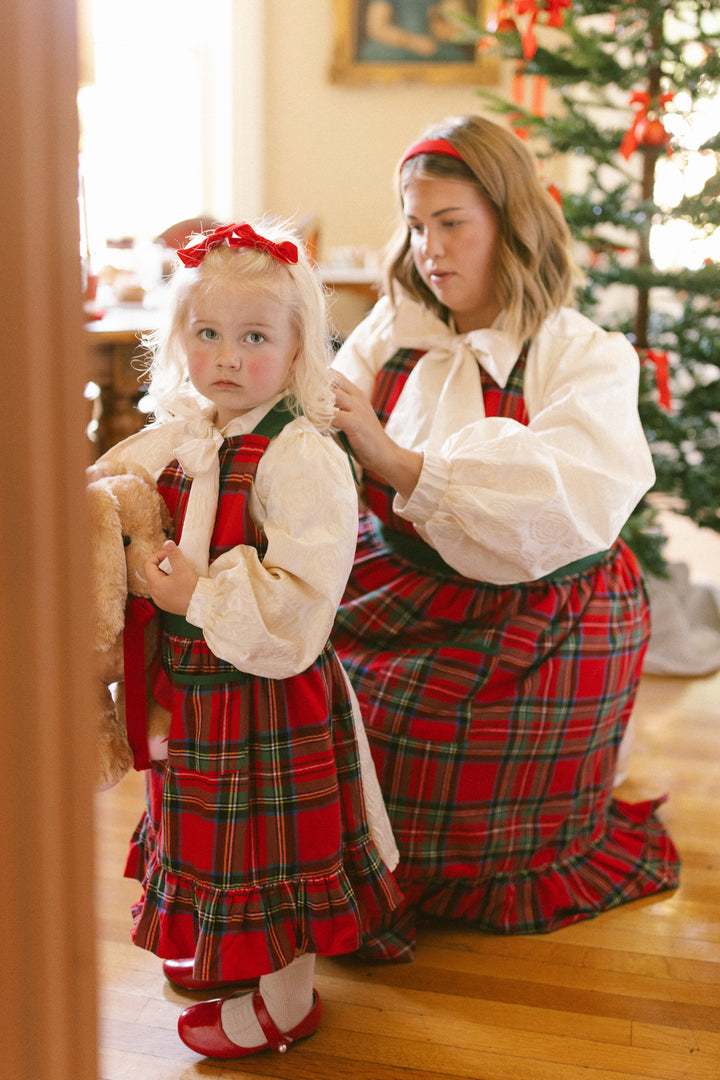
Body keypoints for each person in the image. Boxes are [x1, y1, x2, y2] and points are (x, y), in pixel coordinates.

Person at [330, 115, 680, 963]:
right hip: (403, 581)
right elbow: (321, 408)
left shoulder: (581, 353)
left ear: (509, 223)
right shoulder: (397, 330)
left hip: (544, 607)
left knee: (406, 729)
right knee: (311, 697)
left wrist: (395, 456)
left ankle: (454, 862)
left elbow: (562, 504)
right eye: (416, 226)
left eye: (452, 224)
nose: (430, 250)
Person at [94, 220, 402, 1059]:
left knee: (273, 848)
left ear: (299, 346)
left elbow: (303, 598)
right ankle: (228, 953)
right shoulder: (188, 432)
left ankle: (287, 1001)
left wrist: (200, 593)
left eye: (254, 337)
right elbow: (109, 490)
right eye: (207, 334)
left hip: (265, 691)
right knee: (205, 831)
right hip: (192, 689)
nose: (227, 356)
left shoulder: (301, 454)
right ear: (179, 341)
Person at [358, 1, 474, 63]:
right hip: (396, 45)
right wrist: (411, 42)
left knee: (455, 57)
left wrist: (438, 23)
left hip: (435, 47)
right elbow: (377, 28)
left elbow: (460, 28)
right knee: (375, 55)